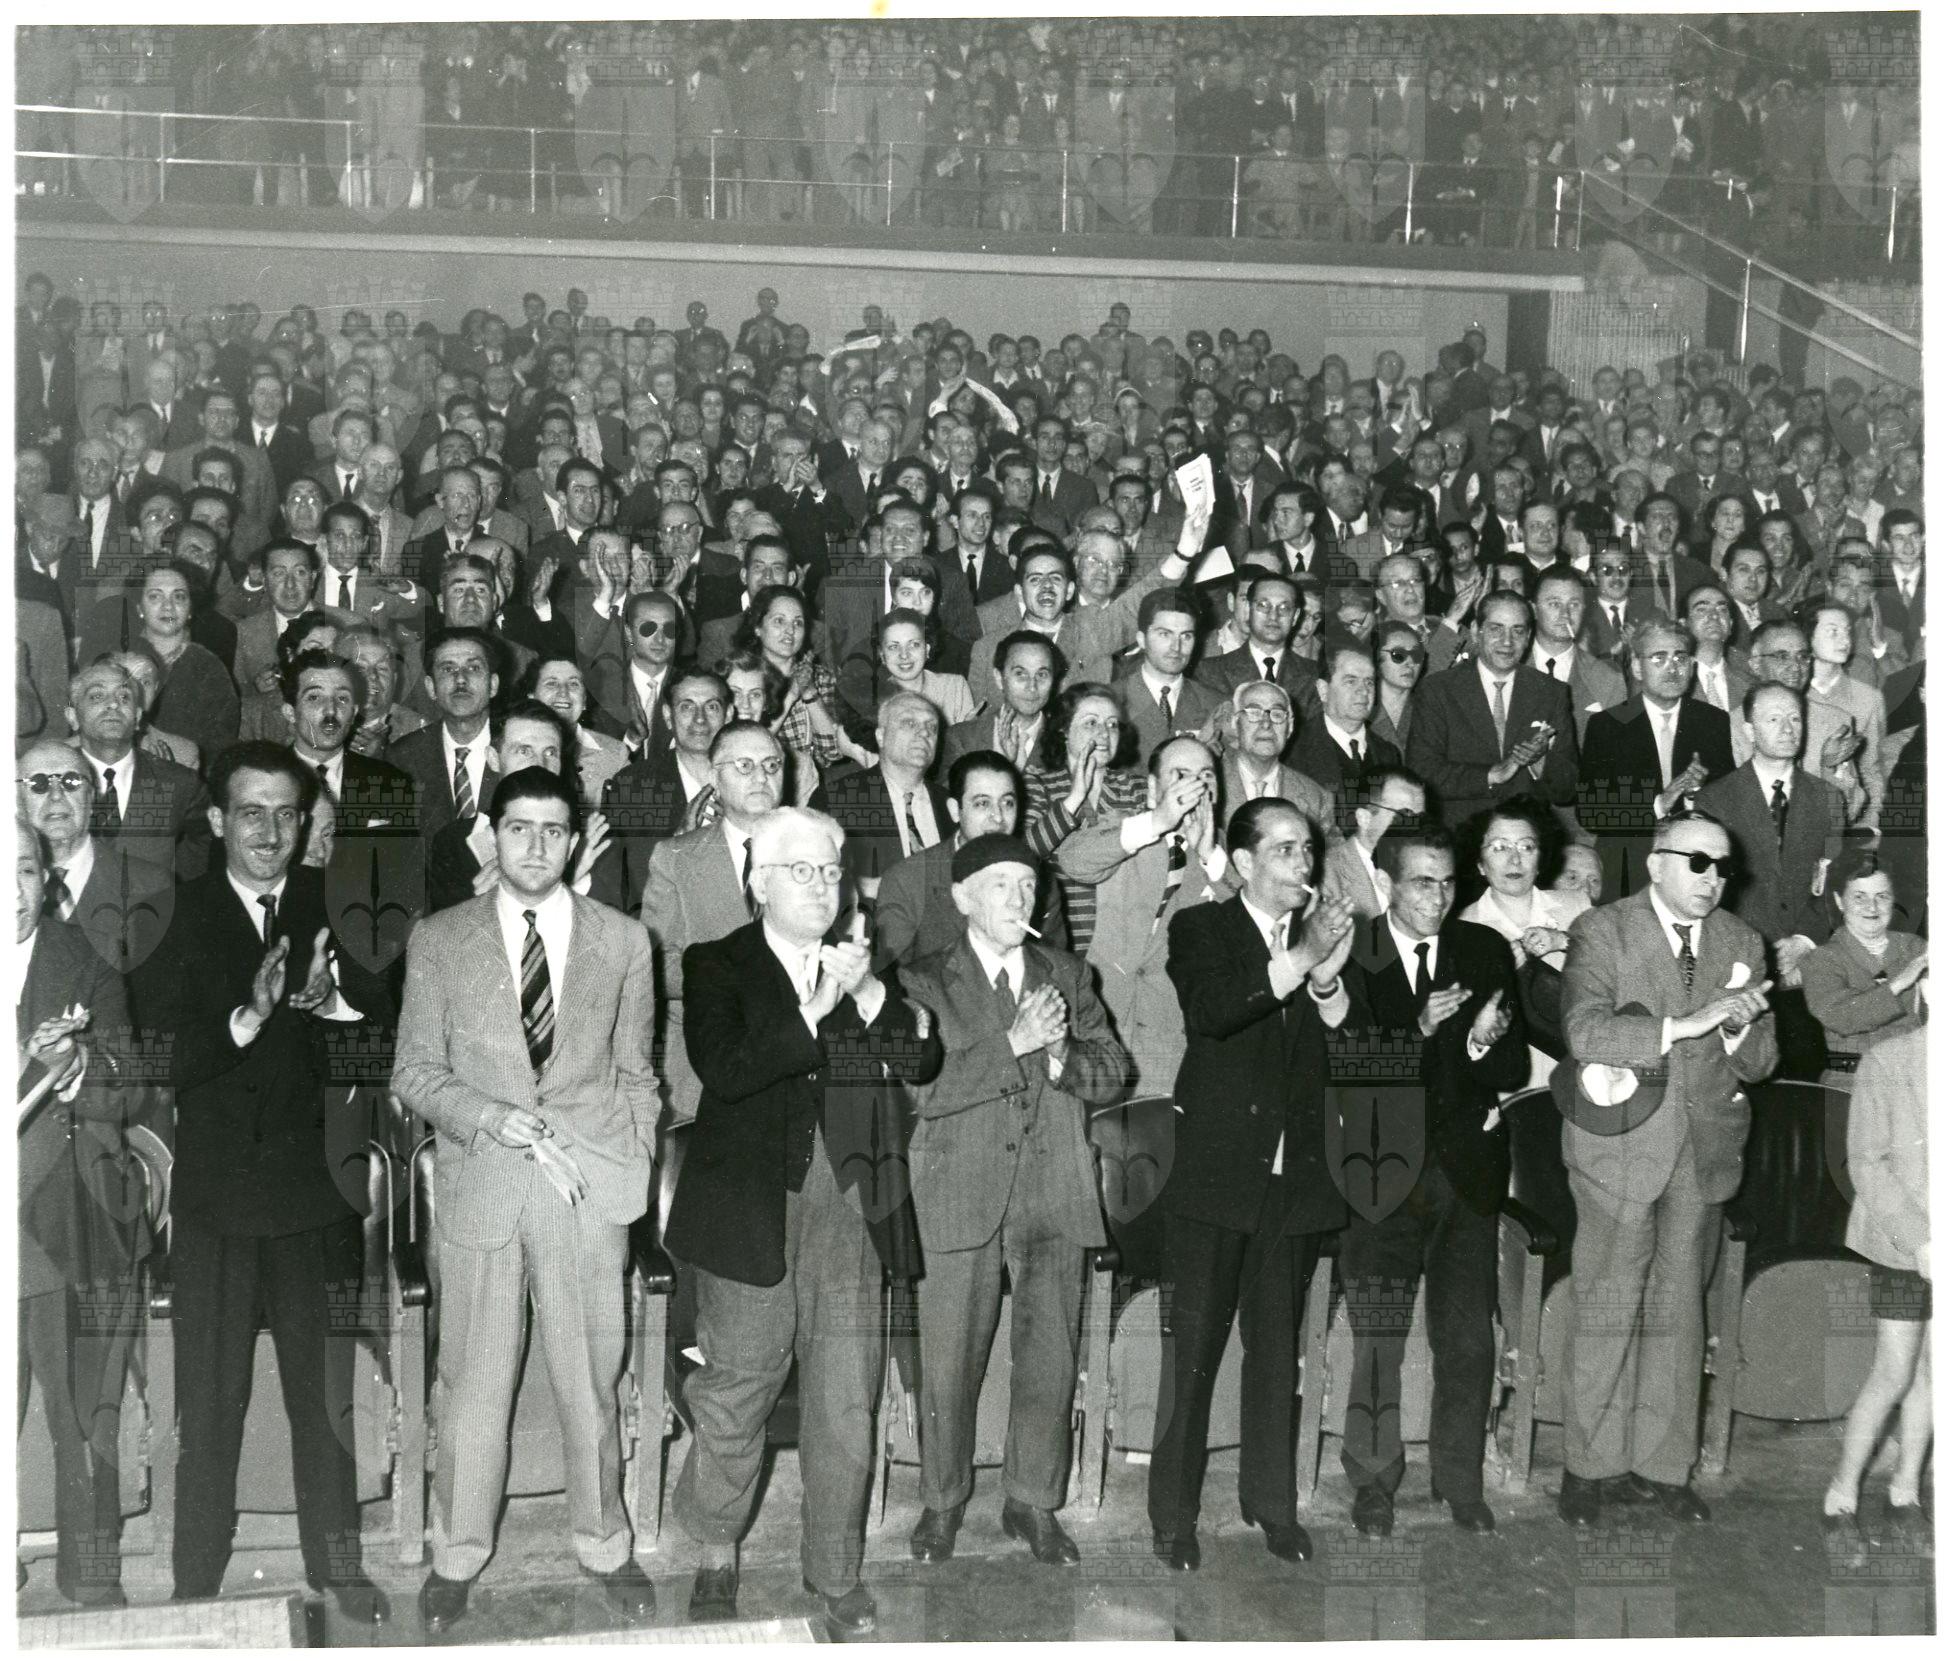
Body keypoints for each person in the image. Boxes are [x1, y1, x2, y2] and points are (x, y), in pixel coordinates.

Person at [131, 742, 394, 1622]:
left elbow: (383, 1047)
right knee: (209, 1406)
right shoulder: (175, 912)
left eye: (287, 814)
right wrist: (244, 1019)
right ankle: (196, 1578)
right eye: (251, 812)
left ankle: (339, 1566)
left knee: (326, 1402)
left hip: (316, 1196)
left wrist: (333, 1006)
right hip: (216, 1202)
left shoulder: (335, 907)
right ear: (217, 820)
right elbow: (154, 1055)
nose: (271, 832)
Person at [392, 766, 659, 1635]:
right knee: (473, 1382)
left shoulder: (625, 940)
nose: (536, 844)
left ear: (575, 839)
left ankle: (605, 1542)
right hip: (486, 1180)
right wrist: (489, 1115)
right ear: (492, 834)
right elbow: (412, 1071)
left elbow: (638, 1072)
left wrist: (630, 1166)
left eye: (553, 829)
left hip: (587, 1188)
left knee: (591, 1381)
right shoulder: (440, 937)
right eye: (518, 827)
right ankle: (458, 1553)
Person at [664, 805, 938, 1635]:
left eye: (831, 870)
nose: (823, 885)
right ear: (760, 882)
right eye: (802, 870)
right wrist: (819, 1004)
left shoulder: (862, 963)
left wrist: (871, 991)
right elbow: (728, 1068)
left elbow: (922, 1057)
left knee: (846, 1397)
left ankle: (835, 1569)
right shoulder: (718, 962)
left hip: (850, 1204)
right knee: (738, 1389)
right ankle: (717, 1546)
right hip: (750, 1204)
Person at [899, 835, 1131, 1568]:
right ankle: (942, 1500)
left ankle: (1032, 1501)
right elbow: (922, 1092)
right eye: (1001, 884)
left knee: (1050, 1355)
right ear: (962, 897)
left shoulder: (1067, 972)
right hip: (957, 1187)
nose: (1019, 898)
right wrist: (1016, 1040)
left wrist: (1059, 1054)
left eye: (1028, 886)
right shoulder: (921, 980)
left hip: (1053, 1188)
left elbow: (1113, 1074)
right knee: (948, 1360)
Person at [1149, 799, 1358, 1571]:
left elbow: (1354, 1050)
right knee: (1192, 1354)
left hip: (1292, 1178)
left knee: (1276, 1355)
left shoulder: (1328, 936)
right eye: (1284, 849)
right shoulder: (1201, 927)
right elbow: (1212, 1012)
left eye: (1307, 849)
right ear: (1242, 863)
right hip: (1216, 1176)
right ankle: (1173, 1517)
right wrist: (1304, 958)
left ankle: (1272, 1505)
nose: (1302, 863)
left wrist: (1329, 981)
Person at [1557, 810, 1778, 1529]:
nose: (1713, 878)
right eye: (1697, 862)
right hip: (1619, 1146)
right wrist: (1686, 1024)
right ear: (1656, 864)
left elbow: (1763, 1062)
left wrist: (1739, 1028)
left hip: (1704, 1149)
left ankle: (1663, 1466)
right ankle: (1588, 1467)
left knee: (1680, 1312)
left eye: (1723, 866)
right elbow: (1585, 1030)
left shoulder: (1743, 941)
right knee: (1609, 1305)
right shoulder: (1603, 930)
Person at [1340, 827, 1525, 1538]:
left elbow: (1508, 1067)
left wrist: (1480, 1040)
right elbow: (1347, 1070)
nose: (1439, 897)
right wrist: (1418, 1029)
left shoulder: (1483, 949)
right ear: (1387, 884)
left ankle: (1460, 1481)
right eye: (1423, 882)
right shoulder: (1352, 952)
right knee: (1378, 1336)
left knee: (1468, 1341)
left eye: (1448, 882)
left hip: (1465, 1173)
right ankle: (1373, 1483)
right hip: (1379, 1174)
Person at [15, 820, 143, 1608]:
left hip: (62, 1220)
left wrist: (78, 1066)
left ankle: (91, 1576)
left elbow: (130, 1081)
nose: (12, 892)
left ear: (47, 878)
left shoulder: (85, 960)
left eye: (26, 870)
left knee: (80, 1410)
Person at [1821, 1022, 1931, 1564]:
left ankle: (1905, 1494)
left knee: (1935, 1375)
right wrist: (1921, 1241)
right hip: (1901, 1245)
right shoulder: (1886, 1061)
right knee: (1895, 1373)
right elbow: (1866, 1163)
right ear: (1929, 991)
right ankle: (1840, 1498)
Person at [1405, 590, 1578, 829]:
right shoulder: (1438, 689)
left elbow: (1567, 789)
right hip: (1459, 835)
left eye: (1517, 631)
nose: (1507, 642)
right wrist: (1490, 775)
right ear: (1476, 630)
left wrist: (1539, 761)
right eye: (1496, 629)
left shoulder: (1551, 692)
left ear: (1528, 637)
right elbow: (1422, 772)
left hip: (1526, 836)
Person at [1458, 796, 1592, 1088]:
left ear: (1540, 859)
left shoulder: (1577, 906)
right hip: (1515, 1085)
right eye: (1500, 847)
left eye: (1526, 847)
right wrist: (1502, 975)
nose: (1515, 859)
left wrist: (1565, 941)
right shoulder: (1462, 929)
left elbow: (1619, 973)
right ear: (1479, 863)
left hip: (1584, 1076)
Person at [875, 749, 1023, 969]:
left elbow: (1052, 965)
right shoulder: (907, 880)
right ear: (955, 810)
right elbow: (890, 976)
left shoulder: (1036, 878)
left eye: (1007, 803)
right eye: (982, 803)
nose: (998, 817)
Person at [1798, 853, 1926, 1094]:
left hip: (1914, 1078)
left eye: (1882, 896)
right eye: (1859, 897)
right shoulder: (1821, 959)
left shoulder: (1915, 948)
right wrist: (1898, 984)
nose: (1872, 907)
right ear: (1839, 901)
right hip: (1853, 1083)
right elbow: (1841, 1017)